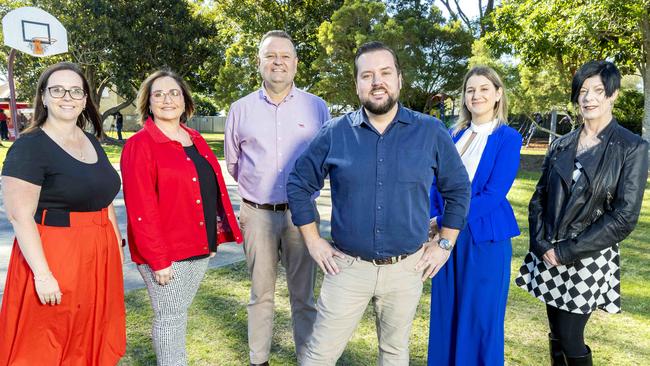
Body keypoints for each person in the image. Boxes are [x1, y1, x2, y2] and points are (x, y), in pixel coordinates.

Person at [287, 41, 471, 365]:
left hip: (407, 269)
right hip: (346, 268)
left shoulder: (431, 131)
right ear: (357, 84)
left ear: (399, 78)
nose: (377, 82)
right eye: (367, 75)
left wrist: (445, 243)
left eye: (385, 72)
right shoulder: (335, 133)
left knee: (395, 352)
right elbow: (299, 183)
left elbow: (458, 189)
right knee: (318, 355)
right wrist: (313, 242)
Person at [516, 60, 648, 365]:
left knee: (570, 335)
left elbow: (624, 216)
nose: (589, 98)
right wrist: (541, 245)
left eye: (598, 90)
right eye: (583, 90)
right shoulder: (561, 144)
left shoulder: (632, 147)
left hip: (589, 254)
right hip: (549, 251)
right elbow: (538, 199)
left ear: (613, 94)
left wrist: (567, 251)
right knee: (556, 332)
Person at [0, 62, 126, 365]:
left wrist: (116, 253)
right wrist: (43, 276)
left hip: (99, 251)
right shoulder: (30, 146)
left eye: (75, 91)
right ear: (43, 96)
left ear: (84, 100)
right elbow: (20, 216)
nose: (66, 96)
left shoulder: (90, 140)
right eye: (57, 89)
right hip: (54, 253)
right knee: (47, 340)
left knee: (88, 336)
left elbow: (103, 198)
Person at [121, 69, 242, 366]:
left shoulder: (195, 138)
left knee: (178, 314)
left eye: (174, 93)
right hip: (165, 256)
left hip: (198, 248)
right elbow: (141, 209)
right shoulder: (140, 145)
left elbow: (209, 189)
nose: (167, 100)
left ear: (185, 101)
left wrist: (213, 238)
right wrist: (158, 259)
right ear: (148, 103)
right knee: (170, 319)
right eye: (158, 94)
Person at [224, 30, 330, 365]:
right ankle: (259, 360)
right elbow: (234, 163)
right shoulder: (239, 109)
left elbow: (326, 159)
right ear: (259, 62)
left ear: (296, 64)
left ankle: (308, 358)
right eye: (270, 56)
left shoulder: (317, 108)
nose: (278, 62)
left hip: (303, 218)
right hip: (257, 213)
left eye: (285, 56)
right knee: (260, 295)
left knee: (304, 297)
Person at [427, 66, 521, 366]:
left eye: (483, 89)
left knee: (480, 318)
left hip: (484, 240)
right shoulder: (453, 134)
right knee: (447, 312)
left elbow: (493, 195)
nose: (476, 95)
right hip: (445, 241)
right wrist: (431, 221)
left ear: (497, 94)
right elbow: (433, 182)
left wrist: (444, 221)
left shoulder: (508, 138)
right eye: (470, 90)